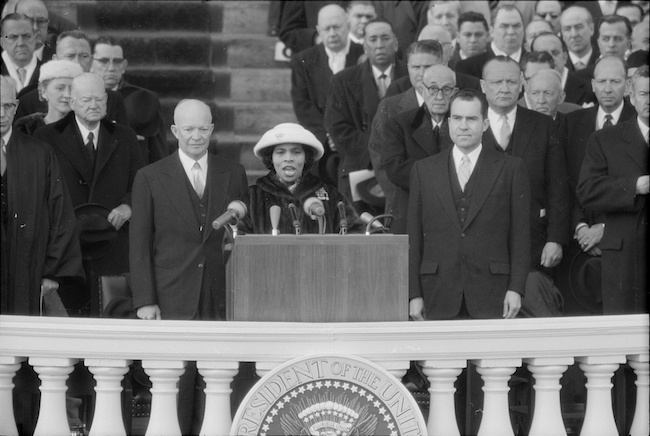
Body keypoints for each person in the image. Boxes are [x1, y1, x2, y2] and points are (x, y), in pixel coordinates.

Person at [129, 99, 248, 433]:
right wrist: (145, 300)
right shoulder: (150, 177)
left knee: (219, 381)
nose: (196, 136)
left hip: (220, 293)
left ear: (212, 129)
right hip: (171, 294)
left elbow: (240, 235)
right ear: (174, 131)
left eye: (202, 128)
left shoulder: (233, 172)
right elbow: (138, 244)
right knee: (176, 385)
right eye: (188, 129)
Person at [408, 88, 530, 321]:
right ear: (449, 122)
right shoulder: (423, 170)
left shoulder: (511, 168)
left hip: (494, 292)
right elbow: (413, 235)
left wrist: (516, 289)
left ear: (485, 124)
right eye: (457, 118)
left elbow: (521, 235)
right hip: (437, 292)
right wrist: (414, 294)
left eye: (471, 118)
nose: (463, 126)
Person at [34, 72, 144, 315]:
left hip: (112, 243)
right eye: (85, 100)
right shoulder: (47, 137)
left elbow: (141, 182)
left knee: (112, 317)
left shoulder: (124, 136)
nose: (93, 105)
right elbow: (39, 194)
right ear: (72, 103)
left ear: (107, 100)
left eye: (98, 99)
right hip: (68, 248)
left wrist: (128, 206)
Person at [1, 74, 84, 316]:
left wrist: (51, 272)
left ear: (16, 106)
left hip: (27, 271)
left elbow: (60, 215)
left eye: (7, 106)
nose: (2, 114)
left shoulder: (39, 153)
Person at [481, 56, 570, 277]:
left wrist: (555, 239)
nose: (504, 88)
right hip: (480, 242)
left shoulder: (543, 125)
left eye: (511, 82)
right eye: (496, 82)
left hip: (533, 241)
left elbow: (557, 187)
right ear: (483, 86)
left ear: (522, 84)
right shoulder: (467, 123)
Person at [576, 65, 648, 314]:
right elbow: (587, 190)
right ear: (632, 95)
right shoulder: (606, 139)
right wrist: (635, 186)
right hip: (624, 256)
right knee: (623, 334)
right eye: (644, 94)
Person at [324, 18, 406, 213]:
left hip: (401, 169)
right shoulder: (342, 81)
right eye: (373, 39)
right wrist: (376, 153)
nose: (379, 45)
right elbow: (337, 128)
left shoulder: (410, 78)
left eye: (385, 38)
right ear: (364, 46)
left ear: (395, 43)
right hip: (358, 168)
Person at [242, 123, 361, 235]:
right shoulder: (253, 196)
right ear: (271, 158)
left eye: (296, 152)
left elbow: (354, 232)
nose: (288, 158)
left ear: (306, 158)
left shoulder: (330, 195)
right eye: (280, 152)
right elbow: (238, 237)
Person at [369, 40, 444, 217]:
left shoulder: (456, 103)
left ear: (443, 65)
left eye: (428, 66)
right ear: (408, 67)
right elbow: (380, 160)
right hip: (404, 203)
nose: (421, 73)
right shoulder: (390, 107)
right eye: (415, 67)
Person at [290, 4, 363, 184]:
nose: (332, 33)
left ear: (348, 25)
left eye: (337, 27)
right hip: (321, 142)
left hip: (356, 142)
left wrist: (344, 136)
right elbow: (303, 106)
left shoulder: (363, 55)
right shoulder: (303, 61)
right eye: (326, 29)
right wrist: (330, 134)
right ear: (318, 31)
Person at [382, 65, 456, 234]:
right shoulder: (399, 124)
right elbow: (396, 170)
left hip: (453, 214)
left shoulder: (462, 124)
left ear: (454, 92)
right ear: (422, 90)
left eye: (446, 89)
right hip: (412, 211)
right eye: (433, 89)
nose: (439, 96)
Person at [15, 30, 128, 125]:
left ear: (91, 61)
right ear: (55, 59)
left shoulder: (111, 99)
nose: (77, 62)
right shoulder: (28, 100)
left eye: (84, 56)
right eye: (70, 56)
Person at [91, 36, 168, 164]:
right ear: (91, 64)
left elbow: (158, 153)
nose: (111, 68)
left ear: (124, 65)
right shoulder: (79, 97)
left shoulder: (144, 99)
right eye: (104, 61)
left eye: (117, 61)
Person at [456, 4, 527, 79]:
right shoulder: (468, 67)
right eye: (504, 26)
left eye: (516, 26)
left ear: (523, 29)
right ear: (491, 31)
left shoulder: (537, 63)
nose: (511, 32)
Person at [14, 59, 82, 135]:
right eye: (60, 88)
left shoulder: (85, 126)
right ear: (43, 92)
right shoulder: (27, 128)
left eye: (71, 88)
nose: (67, 94)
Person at [530, 31, 596, 105]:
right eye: (543, 55)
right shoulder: (524, 91)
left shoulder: (590, 90)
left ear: (564, 57)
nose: (550, 58)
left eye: (555, 53)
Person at [0, 13, 40, 97]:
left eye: (26, 36)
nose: (21, 43)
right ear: (2, 43)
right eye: (13, 37)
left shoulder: (47, 73)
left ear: (35, 39)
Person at [560, 6, 599, 72]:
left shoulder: (603, 60)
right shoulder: (558, 64)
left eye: (578, 27)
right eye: (567, 29)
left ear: (591, 29)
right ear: (562, 34)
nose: (574, 34)